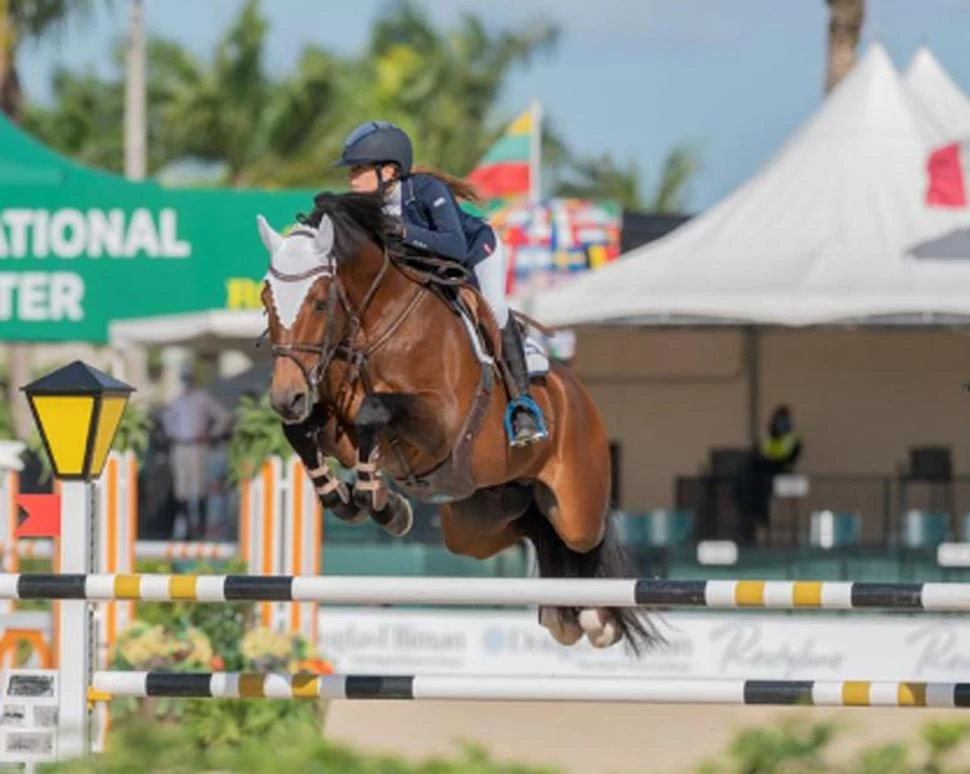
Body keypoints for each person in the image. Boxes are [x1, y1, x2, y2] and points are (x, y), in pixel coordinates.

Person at [335, 120, 548, 447]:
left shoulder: (427, 190)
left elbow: (454, 246)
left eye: (359, 169)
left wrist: (404, 232)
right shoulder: (367, 207)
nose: (351, 178)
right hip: (430, 266)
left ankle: (523, 406)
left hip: (476, 254)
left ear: (389, 171)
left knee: (493, 307)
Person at [159, 364, 234, 539]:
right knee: (181, 489)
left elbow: (224, 417)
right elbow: (166, 419)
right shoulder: (178, 399)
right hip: (180, 445)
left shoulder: (203, 398)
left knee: (199, 487)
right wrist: (172, 434)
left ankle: (200, 527)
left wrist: (211, 433)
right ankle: (186, 528)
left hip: (198, 446)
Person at [734, 405, 802, 544]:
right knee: (746, 473)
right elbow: (757, 454)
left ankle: (760, 516)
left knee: (761, 480)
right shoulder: (766, 439)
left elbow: (789, 459)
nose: (780, 423)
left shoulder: (794, 440)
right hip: (761, 473)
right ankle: (752, 517)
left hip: (779, 472)